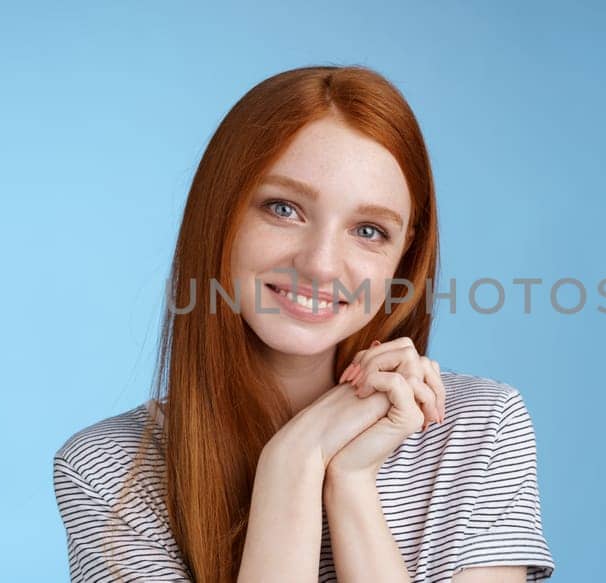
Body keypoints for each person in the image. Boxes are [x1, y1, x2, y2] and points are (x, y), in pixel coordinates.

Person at [52, 65, 554, 582]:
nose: (320, 264)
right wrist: (292, 462)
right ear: (221, 215)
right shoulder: (109, 471)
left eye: (368, 230)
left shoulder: (478, 429)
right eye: (284, 208)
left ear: (403, 260)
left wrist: (351, 483)